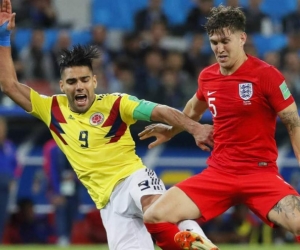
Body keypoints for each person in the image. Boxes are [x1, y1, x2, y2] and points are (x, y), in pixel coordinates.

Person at [0, 1, 215, 249]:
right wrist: (4, 37)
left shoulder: (116, 104)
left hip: (133, 177)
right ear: (62, 86)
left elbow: (160, 111)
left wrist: (195, 128)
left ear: (94, 81)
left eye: (84, 80)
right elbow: (9, 86)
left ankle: (196, 241)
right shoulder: (51, 109)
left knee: (155, 205)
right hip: (109, 203)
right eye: (71, 81)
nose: (79, 86)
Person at [139, 4, 300, 250]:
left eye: (225, 41)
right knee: (153, 216)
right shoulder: (208, 76)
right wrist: (171, 130)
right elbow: (192, 109)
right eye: (214, 42)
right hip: (219, 173)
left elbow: (293, 122)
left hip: (259, 173)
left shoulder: (267, 75)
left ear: (242, 38)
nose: (219, 48)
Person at [0, 117, 18, 243]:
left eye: (2, 128)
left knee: (2, 216)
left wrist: (13, 179)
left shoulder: (9, 146)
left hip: (5, 186)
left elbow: (16, 165)